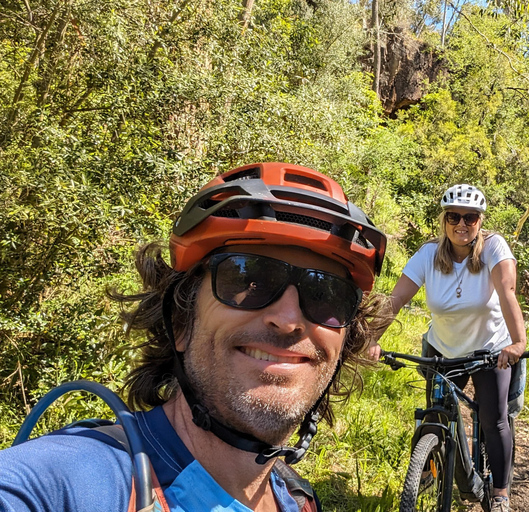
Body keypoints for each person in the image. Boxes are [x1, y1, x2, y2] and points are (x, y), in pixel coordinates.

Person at [0, 162, 388, 512]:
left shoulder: (297, 499)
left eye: (326, 293)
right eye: (247, 278)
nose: (288, 320)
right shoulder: (71, 482)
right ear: (182, 321)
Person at [367, 184, 527, 512]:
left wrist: (517, 342)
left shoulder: (494, 247)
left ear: (480, 221)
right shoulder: (428, 254)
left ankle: (499, 494)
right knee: (434, 414)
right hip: (443, 350)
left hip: (488, 349)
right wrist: (371, 339)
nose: (462, 224)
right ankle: (428, 465)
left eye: (470, 217)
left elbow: (507, 292)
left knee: (493, 419)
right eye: (454, 216)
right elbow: (396, 300)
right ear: (444, 219)